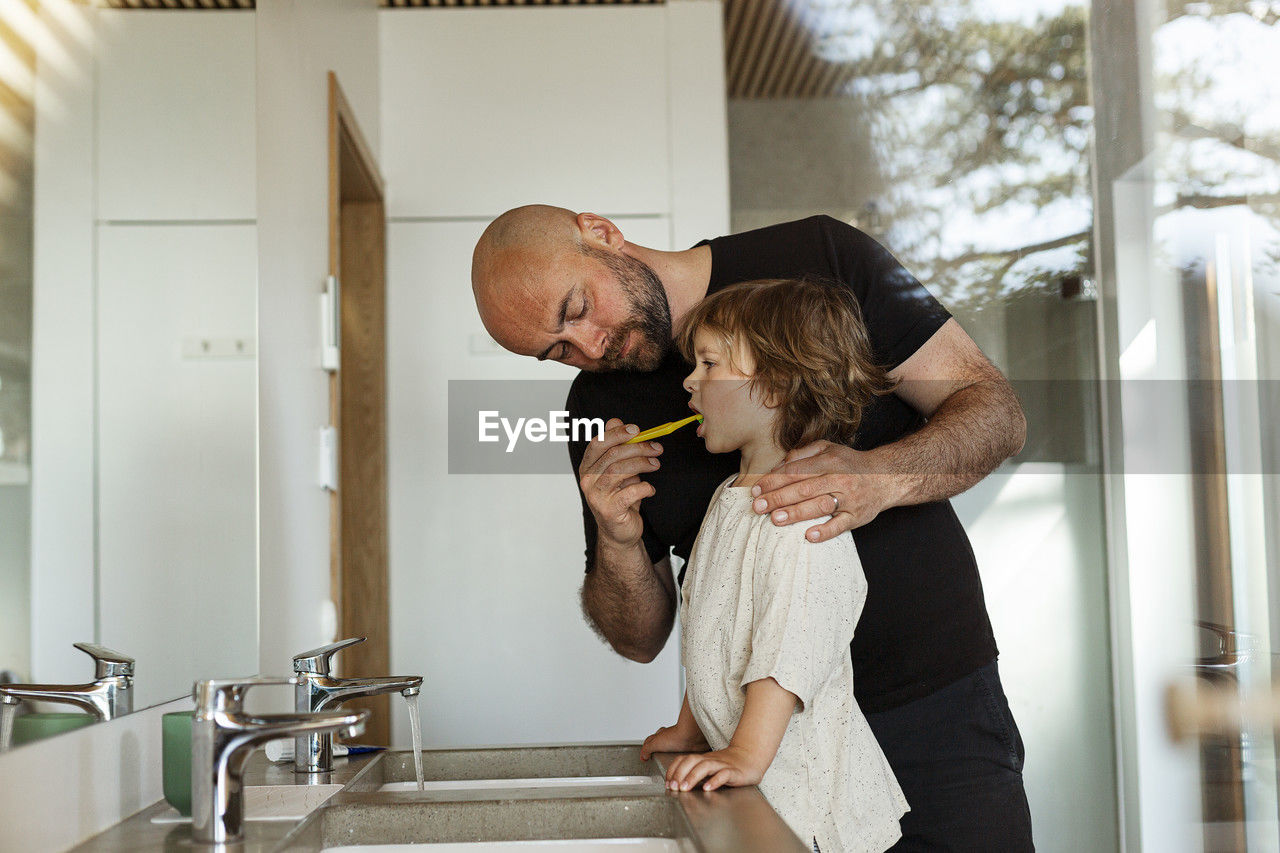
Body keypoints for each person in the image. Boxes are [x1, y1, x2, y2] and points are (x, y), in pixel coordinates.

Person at [471, 205, 1034, 850]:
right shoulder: (597, 409)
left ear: (599, 233)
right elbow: (657, 634)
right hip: (762, 762)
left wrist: (878, 478)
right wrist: (617, 539)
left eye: (577, 309)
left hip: (936, 712)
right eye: (559, 350)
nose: (591, 347)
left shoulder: (825, 255)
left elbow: (996, 412)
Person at [642, 277, 909, 853]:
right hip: (764, 786)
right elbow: (709, 628)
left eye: (710, 363)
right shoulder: (729, 499)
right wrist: (691, 729)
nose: (690, 380)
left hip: (810, 809)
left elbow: (790, 646)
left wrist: (745, 754)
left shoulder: (799, 514)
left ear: (777, 386)